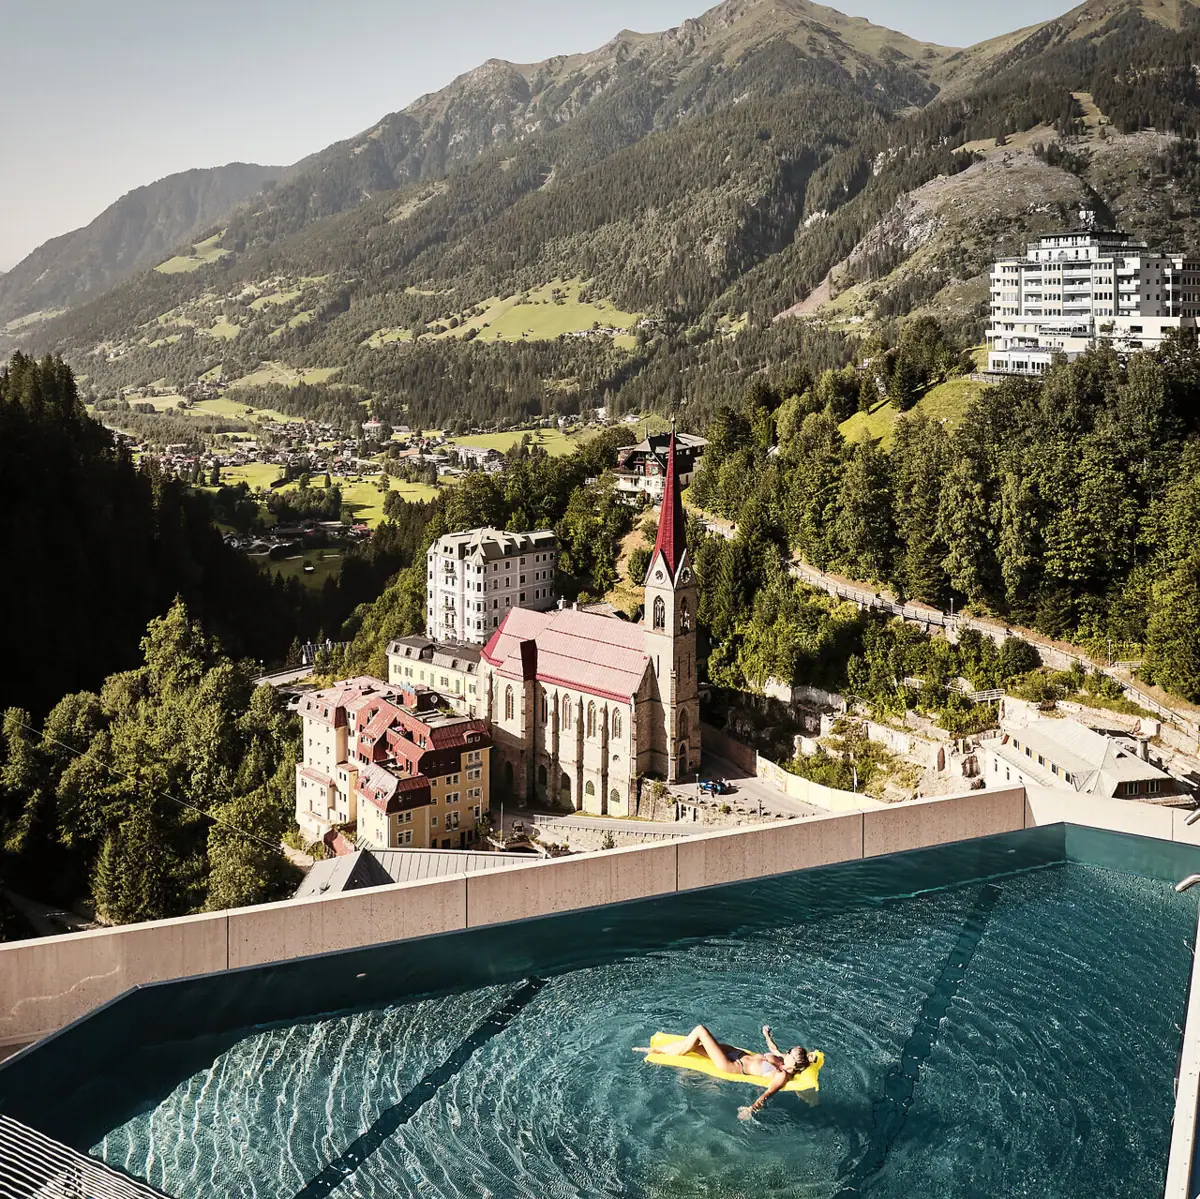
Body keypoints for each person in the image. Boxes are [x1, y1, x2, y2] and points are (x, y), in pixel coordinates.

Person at [639, 1024, 813, 1119]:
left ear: (794, 1063)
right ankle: (655, 1050)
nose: (788, 1051)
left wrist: (751, 1109)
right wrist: (767, 1035)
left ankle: (654, 1052)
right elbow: (773, 1049)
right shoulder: (783, 1058)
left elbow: (767, 1093)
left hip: (731, 1064)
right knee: (695, 1046)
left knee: (700, 1031)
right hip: (736, 1053)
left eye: (791, 1052)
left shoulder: (781, 1075)